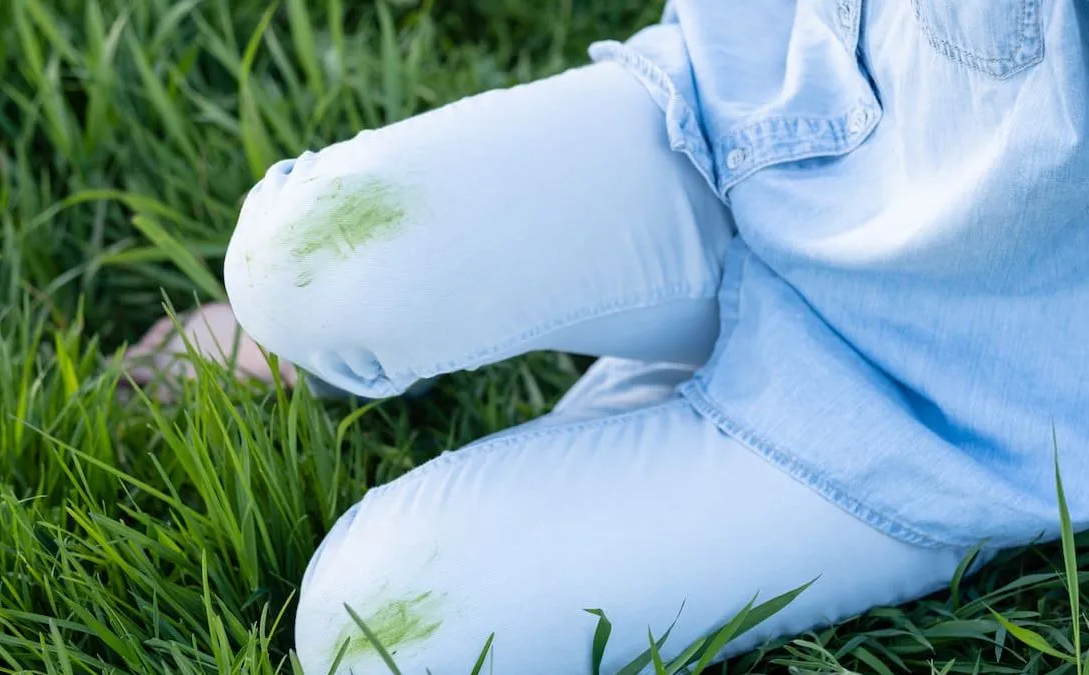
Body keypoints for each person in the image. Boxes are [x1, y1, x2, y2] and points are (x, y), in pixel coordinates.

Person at [143, 0, 1089, 671]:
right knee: (298, 256)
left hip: (933, 392)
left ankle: (681, 406)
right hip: (755, 114)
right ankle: (650, 367)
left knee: (374, 626)